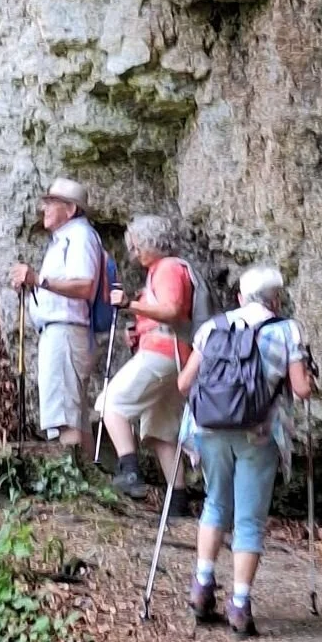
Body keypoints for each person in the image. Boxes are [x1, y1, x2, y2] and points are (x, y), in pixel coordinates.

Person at [177, 265, 312, 637]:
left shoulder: (212, 328)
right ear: (276, 299)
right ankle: (239, 605)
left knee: (216, 503)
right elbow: (301, 390)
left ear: (240, 298)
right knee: (249, 519)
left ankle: (202, 586)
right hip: (257, 432)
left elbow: (184, 382)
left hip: (209, 428)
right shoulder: (287, 330)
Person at [98, 215, 192, 515]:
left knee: (111, 403)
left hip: (163, 354)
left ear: (152, 242)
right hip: (175, 356)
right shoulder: (163, 270)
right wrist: (138, 329)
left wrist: (129, 304)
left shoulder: (168, 268)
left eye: (136, 245)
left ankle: (129, 471)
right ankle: (177, 501)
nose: (134, 252)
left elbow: (172, 310)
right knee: (161, 431)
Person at [8, 178, 99, 456]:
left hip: (65, 331)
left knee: (64, 413)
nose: (43, 208)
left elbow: (85, 285)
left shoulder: (79, 237)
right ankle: (87, 480)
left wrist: (39, 280)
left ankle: (72, 481)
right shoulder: (66, 239)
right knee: (75, 413)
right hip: (63, 330)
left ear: (70, 209)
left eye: (51, 203)